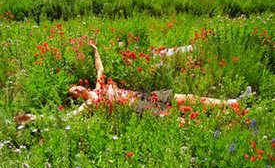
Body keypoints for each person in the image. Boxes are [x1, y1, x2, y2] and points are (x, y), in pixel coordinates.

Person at [14, 43, 253, 124]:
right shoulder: (89, 106)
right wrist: (34, 118)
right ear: (76, 98)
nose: (77, 90)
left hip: (143, 95)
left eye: (76, 87)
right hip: (138, 109)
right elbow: (64, 119)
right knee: (181, 119)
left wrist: (95, 51)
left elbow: (100, 69)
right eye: (74, 93)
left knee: (187, 99)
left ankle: (233, 103)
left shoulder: (99, 87)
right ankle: (230, 122)